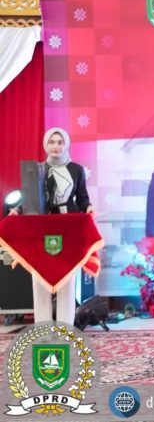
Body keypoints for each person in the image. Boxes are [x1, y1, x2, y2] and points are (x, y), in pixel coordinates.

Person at [9, 127, 94, 324]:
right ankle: (43, 328)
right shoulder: (37, 169)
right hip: (42, 227)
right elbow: (30, 198)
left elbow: (82, 198)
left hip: (68, 227)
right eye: (52, 142)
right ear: (45, 144)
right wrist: (18, 210)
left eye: (60, 142)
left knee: (67, 279)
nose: (56, 146)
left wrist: (88, 207)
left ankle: (65, 329)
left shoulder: (77, 169)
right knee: (39, 278)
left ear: (66, 144)